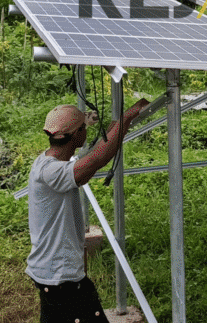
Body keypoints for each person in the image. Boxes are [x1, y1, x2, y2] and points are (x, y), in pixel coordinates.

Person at [26, 100, 149, 323]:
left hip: (55, 275)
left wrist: (118, 123)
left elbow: (90, 159)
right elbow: (96, 159)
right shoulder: (52, 172)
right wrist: (127, 117)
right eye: (84, 127)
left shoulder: (48, 163)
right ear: (76, 135)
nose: (88, 131)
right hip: (59, 277)